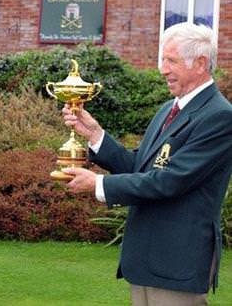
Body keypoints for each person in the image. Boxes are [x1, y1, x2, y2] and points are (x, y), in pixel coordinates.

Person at [62, 22, 232, 306]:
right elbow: (142, 166)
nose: (163, 69)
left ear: (201, 63)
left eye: (171, 61)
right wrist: (95, 134)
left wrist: (99, 184)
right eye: (163, 59)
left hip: (176, 263)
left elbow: (171, 181)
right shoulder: (171, 108)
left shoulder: (219, 116)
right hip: (147, 261)